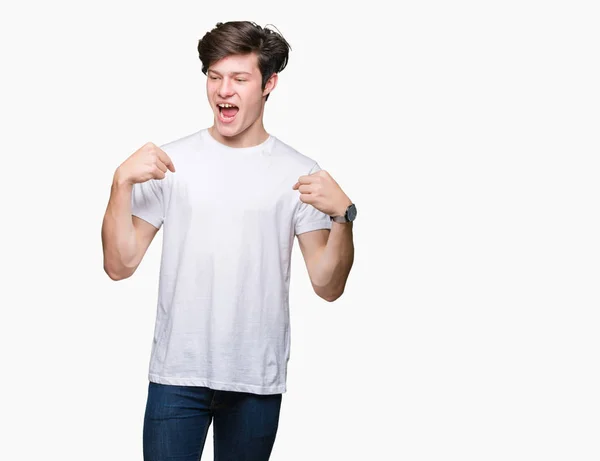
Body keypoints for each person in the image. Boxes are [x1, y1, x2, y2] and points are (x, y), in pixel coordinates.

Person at [101, 20, 356, 461]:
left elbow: (328, 286)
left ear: (269, 83)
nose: (224, 91)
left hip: (254, 379)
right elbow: (118, 265)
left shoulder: (299, 172)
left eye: (240, 78)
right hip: (177, 375)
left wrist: (343, 217)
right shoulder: (171, 163)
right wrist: (119, 183)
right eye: (215, 77)